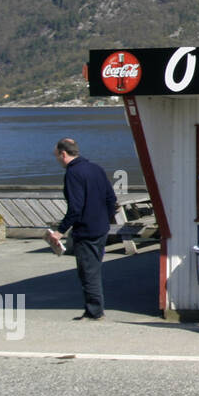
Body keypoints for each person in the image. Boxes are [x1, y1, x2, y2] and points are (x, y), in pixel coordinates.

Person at [48, 138, 117, 322]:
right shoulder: (96, 168)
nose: (57, 160)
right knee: (93, 268)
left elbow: (75, 208)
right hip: (101, 228)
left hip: (86, 230)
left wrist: (60, 231)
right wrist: (104, 219)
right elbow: (111, 199)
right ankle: (95, 309)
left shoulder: (73, 173)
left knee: (88, 271)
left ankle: (94, 311)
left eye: (57, 156)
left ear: (64, 154)